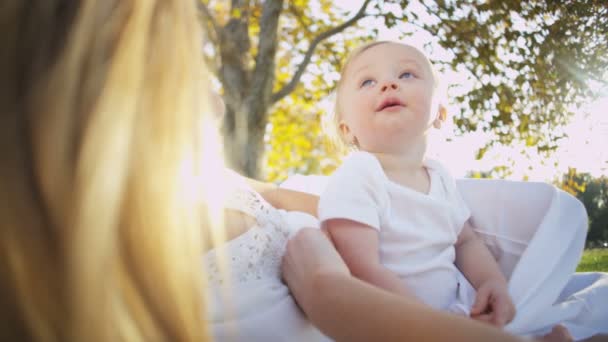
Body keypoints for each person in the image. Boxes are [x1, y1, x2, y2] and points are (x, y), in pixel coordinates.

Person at [0, 1, 565, 341]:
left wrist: (391, 220)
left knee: (555, 220)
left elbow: (309, 203)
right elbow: (335, 290)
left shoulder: (215, 182)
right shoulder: (166, 240)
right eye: (185, 76)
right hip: (377, 309)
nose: (219, 106)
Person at [317, 41, 515, 325]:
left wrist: (492, 282)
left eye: (407, 75)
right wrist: (437, 326)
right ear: (347, 129)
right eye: (368, 81)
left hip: (453, 314)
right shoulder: (360, 174)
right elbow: (361, 270)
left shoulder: (440, 177)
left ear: (440, 113)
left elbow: (466, 243)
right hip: (392, 323)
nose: (387, 84)